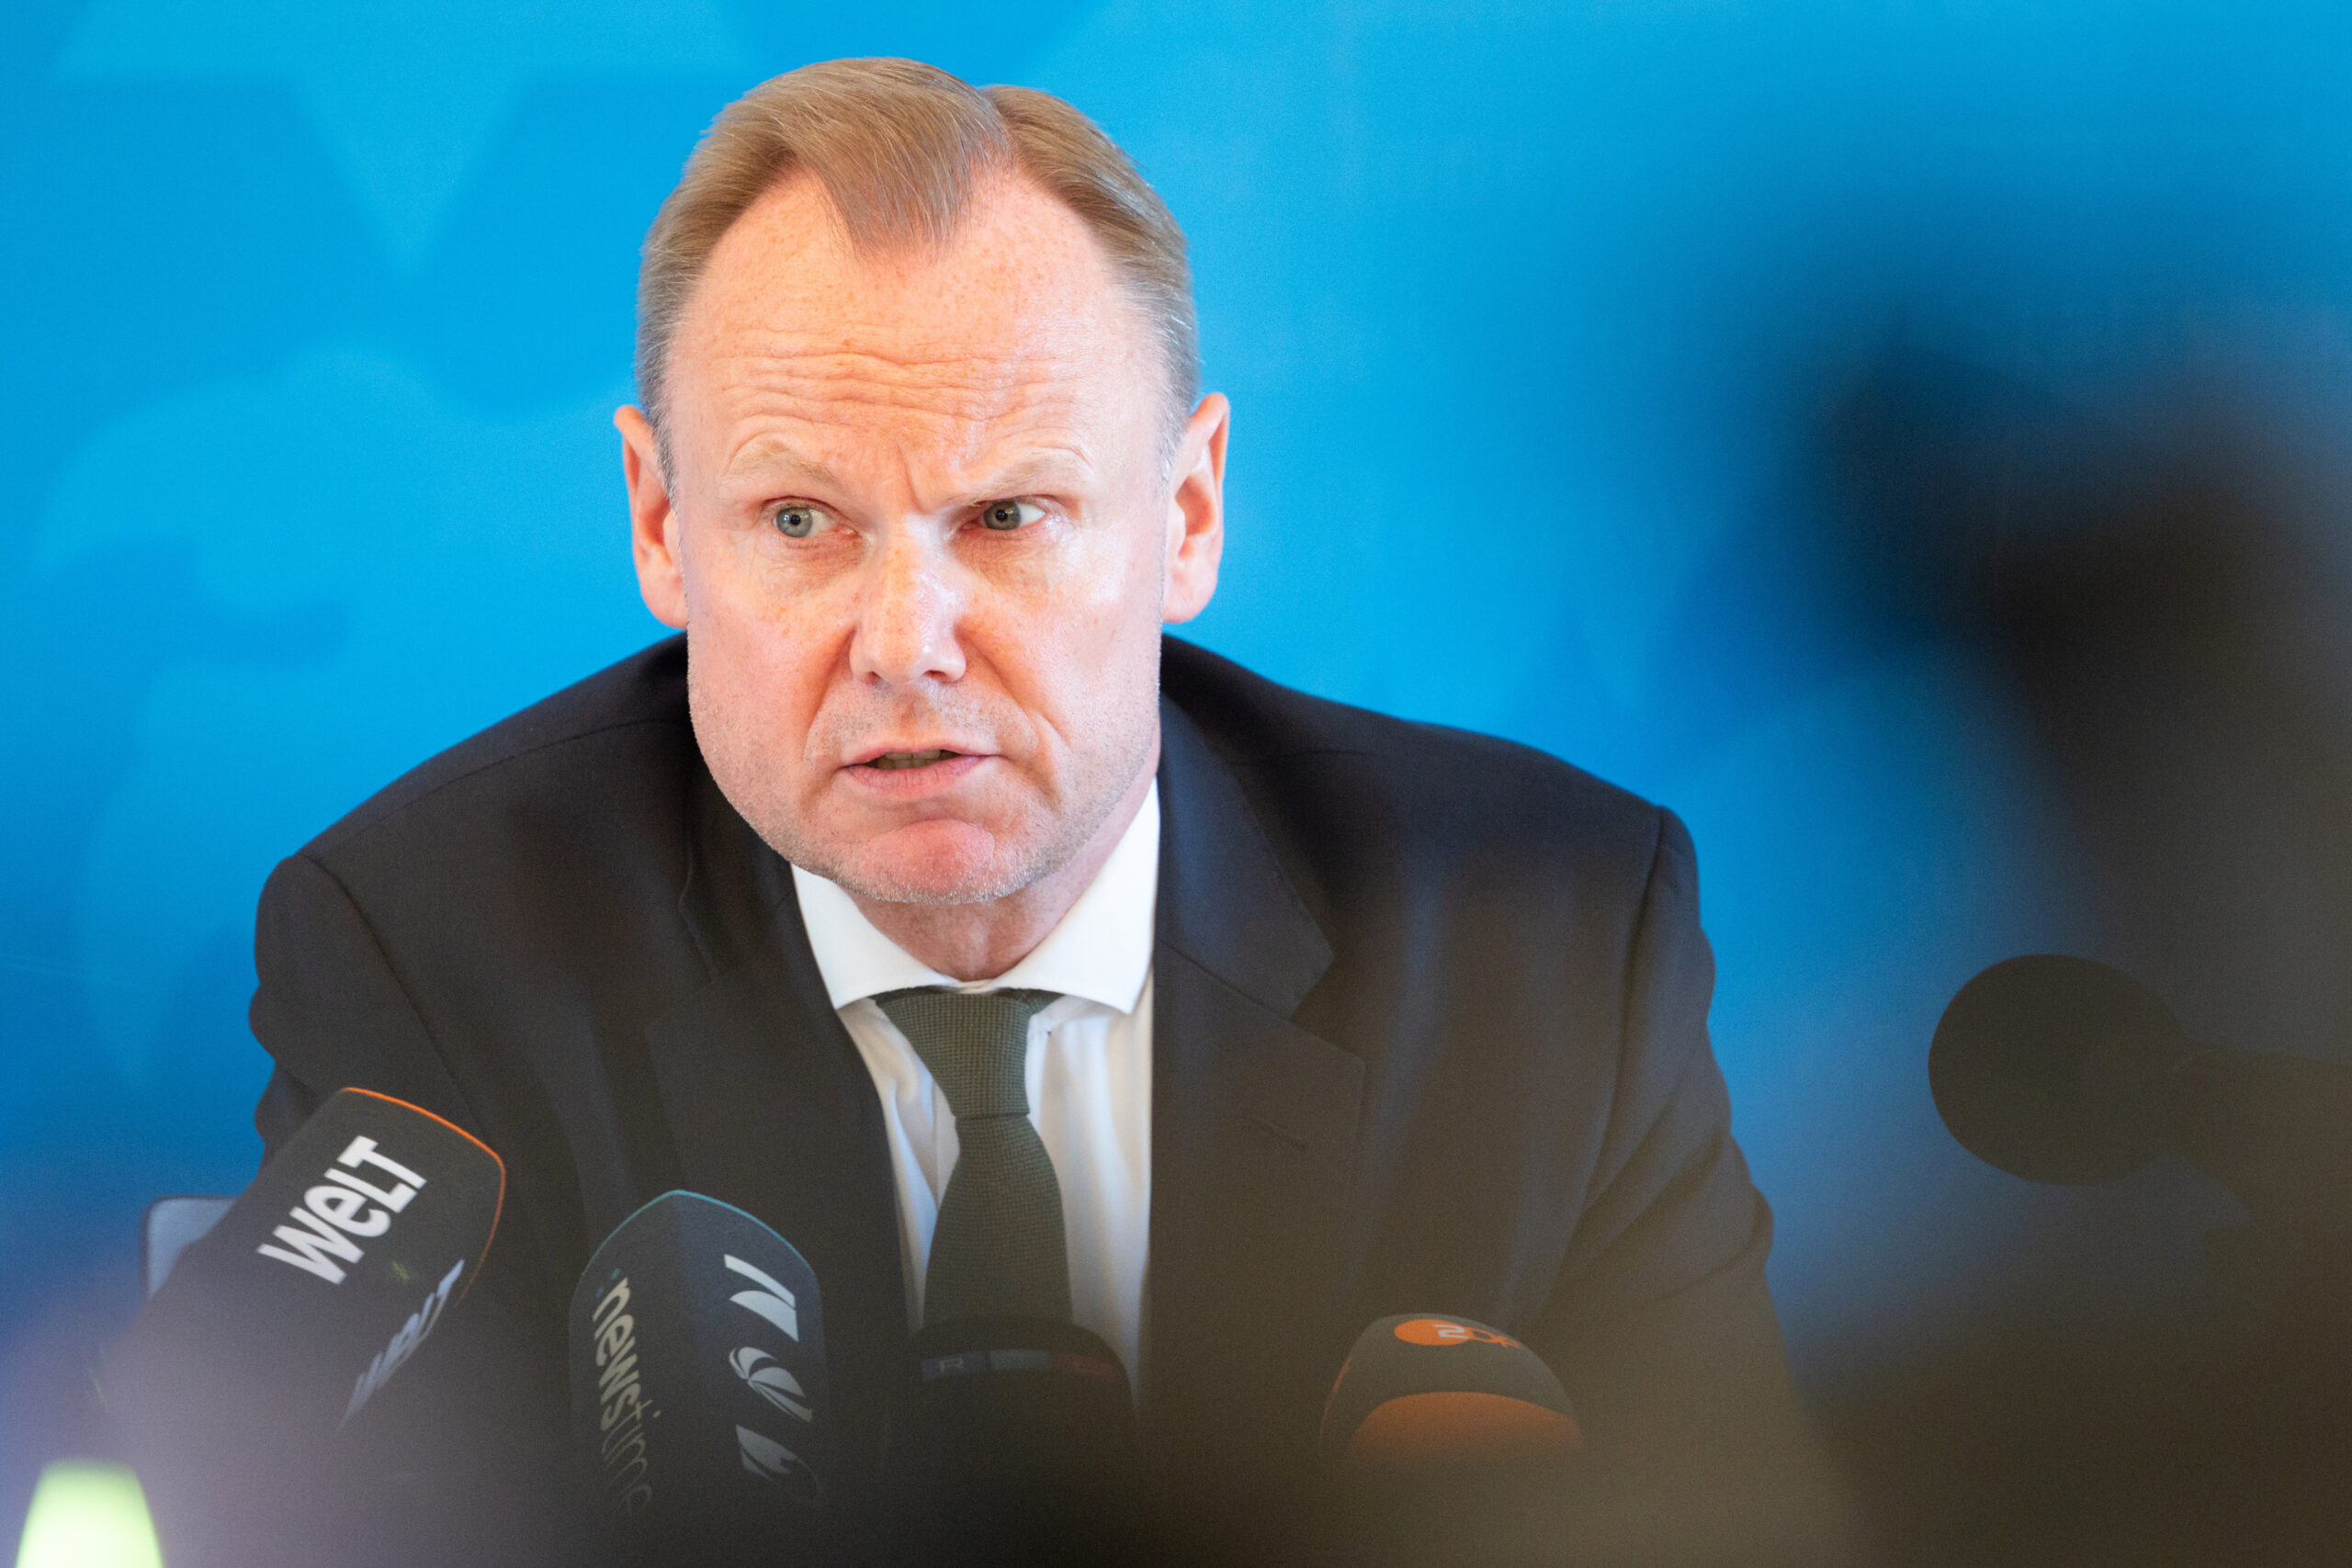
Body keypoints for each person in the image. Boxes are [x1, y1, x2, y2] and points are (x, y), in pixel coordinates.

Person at [248, 57, 1825, 1563]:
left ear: (1188, 512)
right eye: (801, 518)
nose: (904, 643)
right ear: (662, 526)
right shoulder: (433, 952)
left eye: (1008, 515)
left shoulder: (1547, 939)